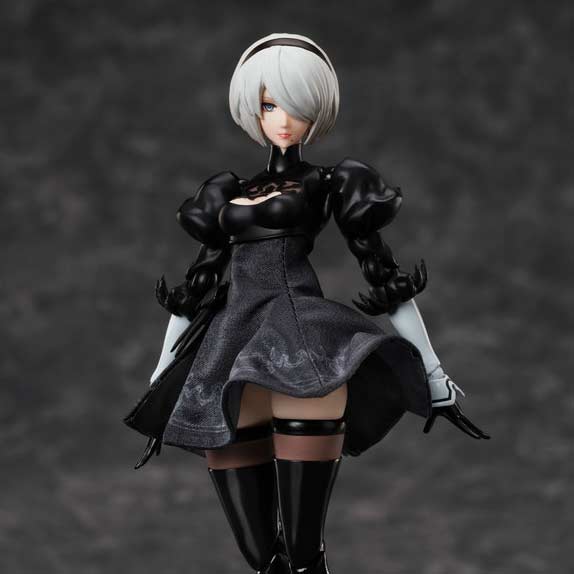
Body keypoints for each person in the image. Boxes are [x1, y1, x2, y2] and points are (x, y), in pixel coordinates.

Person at [137, 33, 489, 574]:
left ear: (317, 108)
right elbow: (196, 287)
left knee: (304, 554)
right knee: (260, 555)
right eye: (269, 105)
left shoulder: (331, 182)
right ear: (251, 108)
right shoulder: (227, 190)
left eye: (295, 105)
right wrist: (162, 377)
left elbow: (384, 276)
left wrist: (435, 375)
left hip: (302, 345)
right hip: (231, 350)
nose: (282, 120)